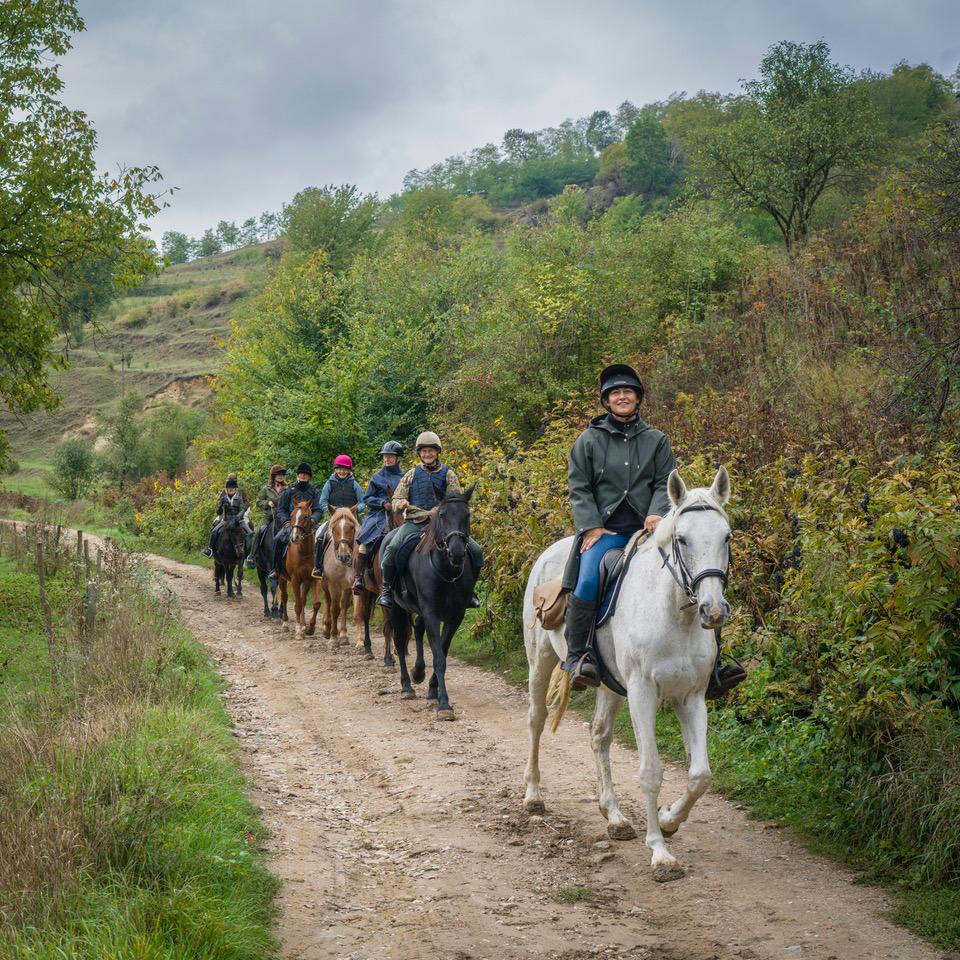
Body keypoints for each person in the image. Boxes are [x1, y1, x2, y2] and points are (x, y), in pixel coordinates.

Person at [560, 364, 675, 689]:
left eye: (628, 392)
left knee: (693, 568)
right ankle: (578, 657)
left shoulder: (656, 440)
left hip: (648, 531)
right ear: (606, 401)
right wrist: (592, 526)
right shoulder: (588, 441)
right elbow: (578, 486)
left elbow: (664, 480)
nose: (622, 396)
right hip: (606, 534)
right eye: (615, 393)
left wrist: (656, 513)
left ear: (637, 398)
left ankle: (713, 664)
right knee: (586, 581)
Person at [377, 431, 483, 609]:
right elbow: (395, 498)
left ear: (437, 452)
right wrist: (400, 503)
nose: (427, 454)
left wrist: (439, 511)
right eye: (424, 451)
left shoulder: (449, 474)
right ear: (419, 453)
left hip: (442, 525)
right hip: (414, 523)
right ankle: (387, 589)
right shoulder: (411, 474)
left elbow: (455, 499)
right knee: (392, 548)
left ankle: (469, 592)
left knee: (476, 551)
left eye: (431, 451)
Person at [352, 441, 405, 594]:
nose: (387, 459)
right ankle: (358, 577)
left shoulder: (404, 477)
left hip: (400, 513)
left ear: (397, 458)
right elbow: (367, 498)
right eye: (385, 456)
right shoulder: (377, 477)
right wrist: (382, 503)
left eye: (390, 457)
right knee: (365, 542)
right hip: (378, 514)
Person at [311, 454, 366, 579]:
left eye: (345, 469)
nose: (342, 471)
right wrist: (332, 511)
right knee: (320, 537)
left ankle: (365, 569)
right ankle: (318, 566)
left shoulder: (354, 484)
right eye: (339, 468)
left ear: (349, 471)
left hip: (352, 518)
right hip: (335, 517)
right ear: (335, 469)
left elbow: (362, 501)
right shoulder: (329, 483)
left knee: (365, 537)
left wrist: (356, 510)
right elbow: (323, 501)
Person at [270, 462, 322, 578]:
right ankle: (276, 569)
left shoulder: (314, 491)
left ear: (309, 477)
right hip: (291, 525)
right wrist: (287, 523)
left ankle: (320, 568)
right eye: (301, 474)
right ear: (297, 475)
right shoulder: (288, 490)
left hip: (310, 524)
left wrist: (313, 520)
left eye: (306, 474)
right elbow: (281, 510)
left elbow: (318, 509)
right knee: (277, 540)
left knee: (322, 539)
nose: (303, 476)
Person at [245, 464, 287, 568]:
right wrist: (267, 503)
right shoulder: (266, 489)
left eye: (282, 474)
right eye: (278, 474)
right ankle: (252, 556)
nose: (280, 476)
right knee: (260, 530)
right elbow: (258, 501)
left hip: (283, 517)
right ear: (273, 476)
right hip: (268, 516)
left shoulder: (287, 488)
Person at [202, 474, 250, 558]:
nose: (231, 488)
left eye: (233, 481)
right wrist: (219, 509)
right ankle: (210, 550)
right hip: (226, 519)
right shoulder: (223, 493)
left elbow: (244, 506)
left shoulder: (240, 493)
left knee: (250, 532)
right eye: (229, 481)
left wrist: (239, 517)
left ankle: (250, 554)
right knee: (214, 531)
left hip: (238, 518)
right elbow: (219, 508)